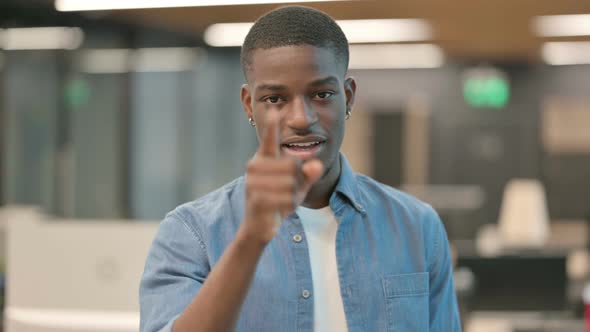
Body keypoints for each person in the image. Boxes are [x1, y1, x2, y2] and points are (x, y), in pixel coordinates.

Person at [139, 5, 460, 332]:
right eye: (275, 99)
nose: (301, 119)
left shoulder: (417, 227)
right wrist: (250, 240)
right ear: (250, 104)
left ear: (348, 97)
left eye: (322, 94)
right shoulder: (192, 233)